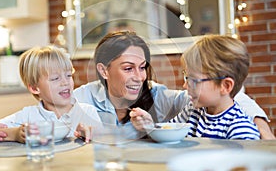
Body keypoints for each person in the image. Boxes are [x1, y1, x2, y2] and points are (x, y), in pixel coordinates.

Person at [73, 31, 275, 139]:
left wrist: (262, 127)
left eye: (143, 67)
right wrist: (76, 128)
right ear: (104, 70)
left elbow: (228, 97)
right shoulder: (84, 96)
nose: (140, 77)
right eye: (128, 68)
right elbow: (47, 117)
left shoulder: (158, 96)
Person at [130, 35, 260, 139]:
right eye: (186, 78)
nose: (185, 86)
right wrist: (149, 126)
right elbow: (169, 134)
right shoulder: (192, 110)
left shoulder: (241, 131)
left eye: (193, 80)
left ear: (225, 86)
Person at [0, 45, 101, 143]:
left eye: (68, 75)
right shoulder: (28, 115)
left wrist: (90, 133)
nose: (65, 82)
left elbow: (104, 142)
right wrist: (15, 134)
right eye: (55, 78)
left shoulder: (87, 112)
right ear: (34, 88)